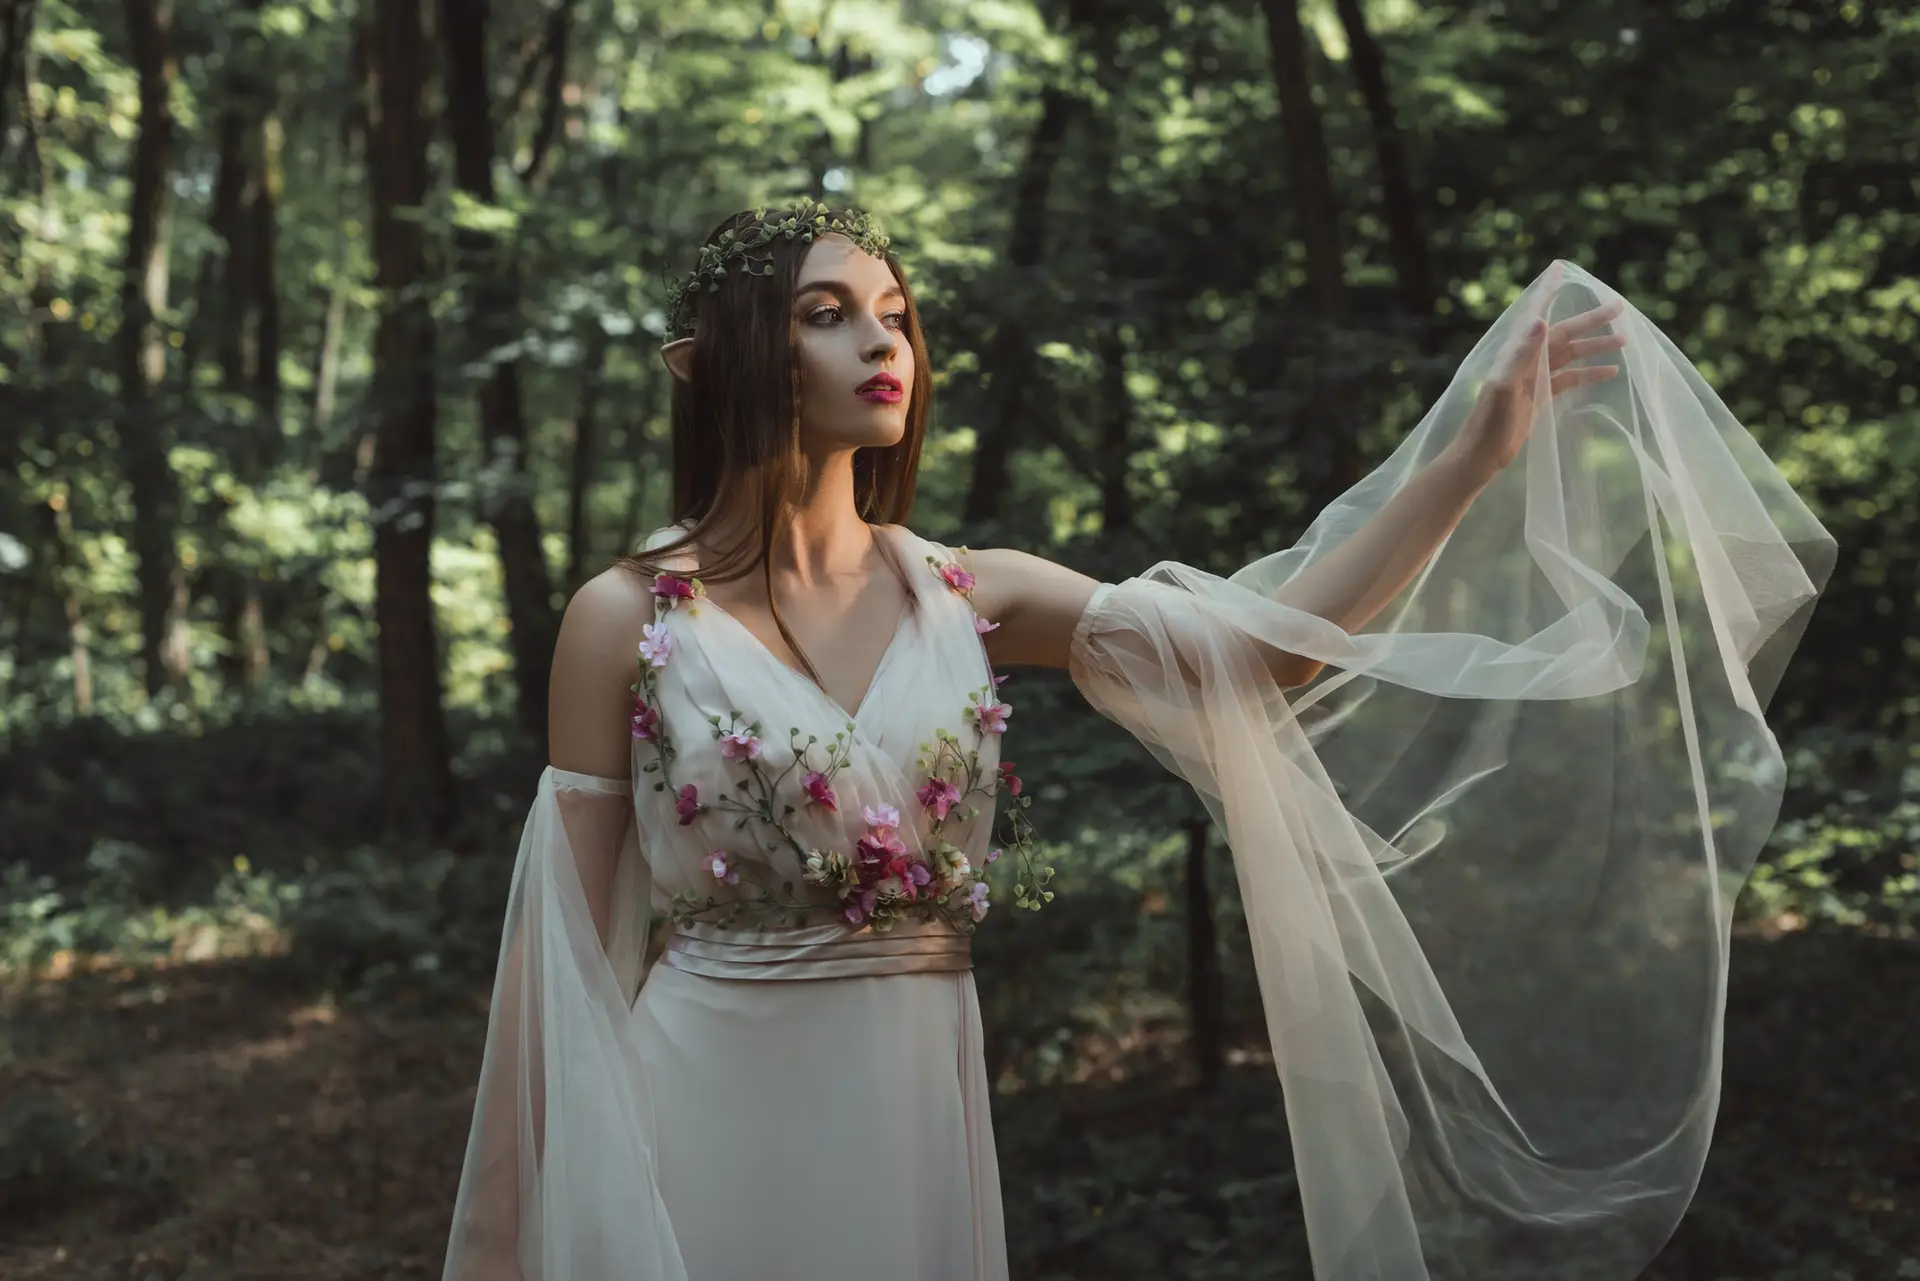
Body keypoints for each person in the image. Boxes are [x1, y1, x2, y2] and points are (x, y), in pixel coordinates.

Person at [440, 201, 1834, 1281]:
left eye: (898, 316)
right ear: (733, 359)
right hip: (700, 1094)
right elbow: (553, 952)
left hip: (911, 1091)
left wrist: (1470, 458)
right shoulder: (627, 616)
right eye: (827, 315)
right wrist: (512, 1235)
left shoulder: (973, 597)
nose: (883, 345)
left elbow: (1266, 653)